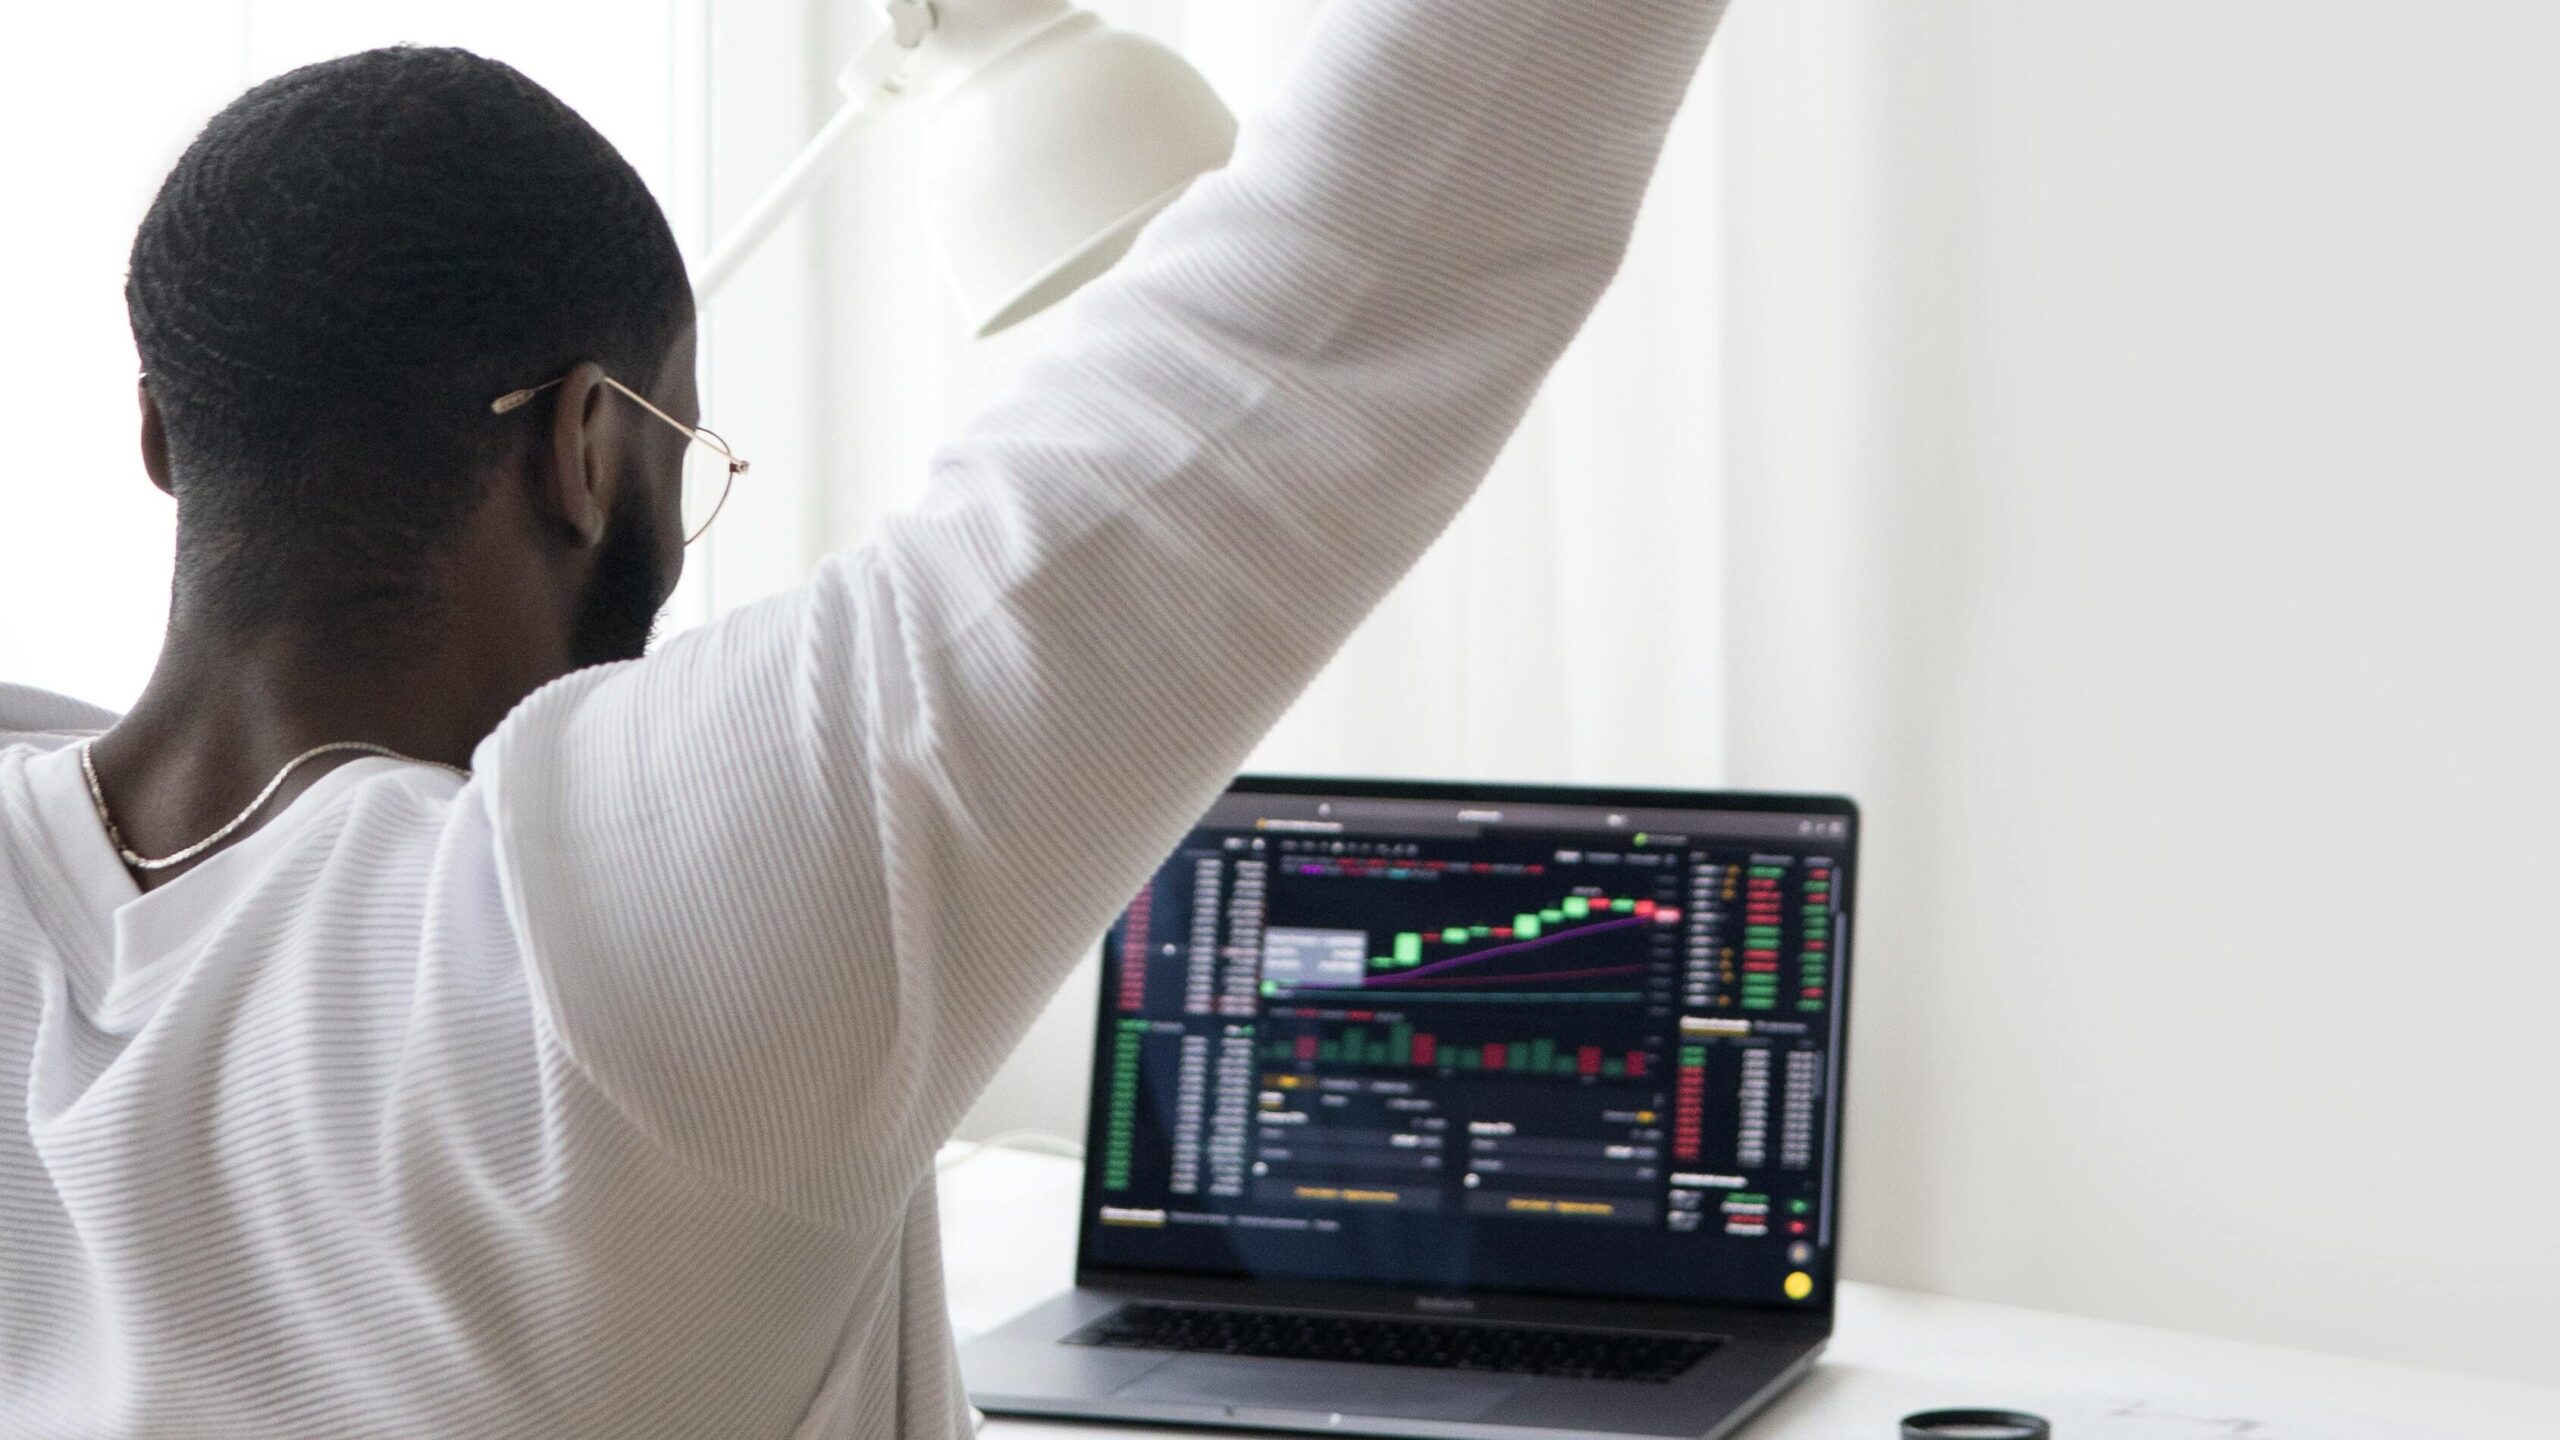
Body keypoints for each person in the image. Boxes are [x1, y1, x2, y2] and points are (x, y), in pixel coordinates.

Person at [0, 0, 1732, 1433]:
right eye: (690, 452)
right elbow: (1333, 310)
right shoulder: (609, 912)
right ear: (584, 455)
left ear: (162, 434)